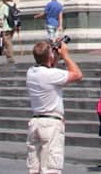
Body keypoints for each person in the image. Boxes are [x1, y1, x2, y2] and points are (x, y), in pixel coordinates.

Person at [25, 38, 83, 174]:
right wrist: (65, 56)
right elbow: (78, 75)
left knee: (34, 169)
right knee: (51, 169)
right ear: (50, 56)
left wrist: (53, 56)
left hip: (35, 122)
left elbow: (48, 67)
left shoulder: (31, 72)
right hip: (51, 124)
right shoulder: (51, 75)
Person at [0, 0, 19, 64]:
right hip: (13, 26)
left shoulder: (4, 6)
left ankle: (11, 57)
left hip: (6, 27)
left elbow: (0, 17)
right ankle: (8, 56)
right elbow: (17, 15)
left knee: (7, 42)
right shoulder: (15, 5)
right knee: (8, 41)